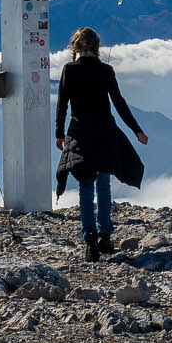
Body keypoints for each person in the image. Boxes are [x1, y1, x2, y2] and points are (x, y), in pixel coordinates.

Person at [54, 25, 148, 262]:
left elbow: (62, 104)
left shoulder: (69, 69)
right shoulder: (106, 70)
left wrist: (59, 133)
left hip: (80, 132)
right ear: (96, 47)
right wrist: (136, 130)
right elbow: (119, 102)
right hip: (105, 132)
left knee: (86, 186)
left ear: (75, 47)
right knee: (103, 184)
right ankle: (105, 236)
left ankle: (90, 240)